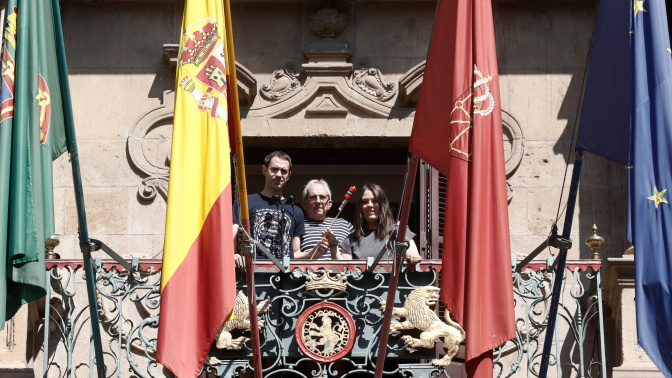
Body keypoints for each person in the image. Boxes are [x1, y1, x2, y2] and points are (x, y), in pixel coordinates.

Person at [233, 151, 305, 267]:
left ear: (289, 176)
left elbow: (295, 252)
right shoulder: (246, 202)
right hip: (253, 272)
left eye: (283, 171)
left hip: (286, 276)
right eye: (274, 169)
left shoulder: (295, 210)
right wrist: (232, 253)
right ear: (264, 170)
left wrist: (316, 251)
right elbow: (233, 231)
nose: (279, 174)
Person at [339, 183, 421, 263]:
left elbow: (413, 256)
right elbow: (343, 270)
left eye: (375, 201)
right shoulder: (350, 239)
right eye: (364, 202)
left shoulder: (400, 232)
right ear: (359, 207)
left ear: (382, 205)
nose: (370, 205)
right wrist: (333, 246)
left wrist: (413, 258)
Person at [297, 179, 354, 260]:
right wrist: (311, 253)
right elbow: (290, 258)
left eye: (322, 197)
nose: (318, 201)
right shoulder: (297, 225)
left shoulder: (345, 225)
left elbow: (350, 263)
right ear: (304, 204)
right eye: (312, 197)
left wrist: (333, 245)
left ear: (330, 204)